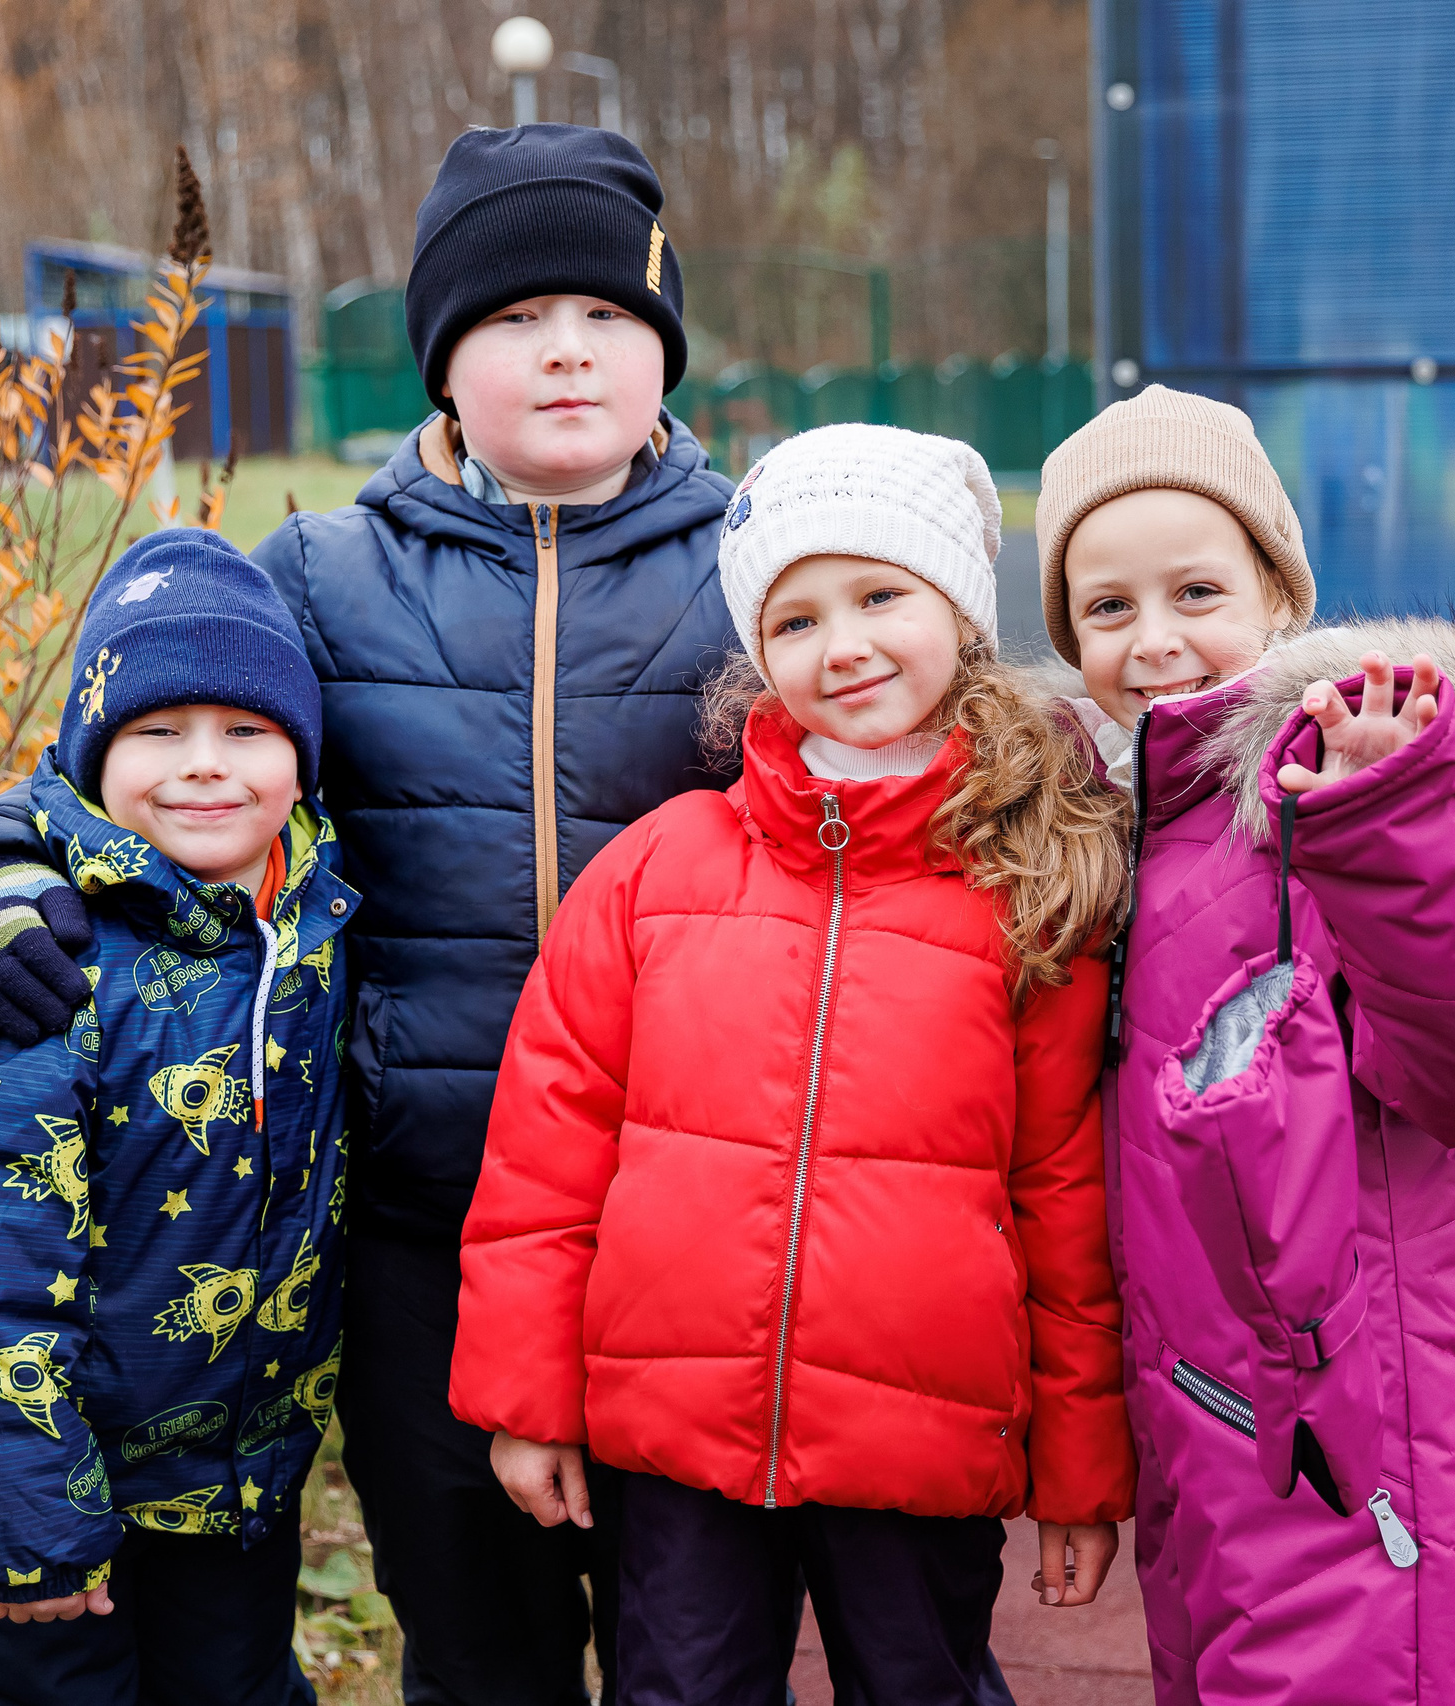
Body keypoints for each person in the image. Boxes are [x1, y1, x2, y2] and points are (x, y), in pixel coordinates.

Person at [0, 123, 743, 1703]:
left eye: (609, 316)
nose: (565, 349)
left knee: (690, 1645)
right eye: (510, 318)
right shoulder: (325, 573)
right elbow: (139, 759)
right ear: (441, 357)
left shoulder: (758, 565)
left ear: (663, 346)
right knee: (478, 1635)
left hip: (683, 1214)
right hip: (418, 1224)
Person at [451, 424, 1139, 1706]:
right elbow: (547, 1145)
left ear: (959, 612)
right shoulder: (661, 867)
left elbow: (1064, 1196)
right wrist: (527, 1396)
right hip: (673, 1439)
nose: (847, 644)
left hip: (925, 1436)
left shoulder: (1033, 884)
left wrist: (1079, 1464)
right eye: (798, 618)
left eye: (882, 594)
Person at [1035, 386, 1455, 1704]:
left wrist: (1394, 819)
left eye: (1197, 590)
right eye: (1109, 609)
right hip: (1224, 1441)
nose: (1157, 638)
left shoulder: (1339, 794)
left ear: (1281, 601)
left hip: (1369, 1451)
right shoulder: (1140, 830)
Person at [0, 528, 357, 1706]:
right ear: (90, 757)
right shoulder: (46, 961)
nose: (203, 766)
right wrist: (24, 1512)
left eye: (246, 732)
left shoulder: (313, 918)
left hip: (235, 1479)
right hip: (54, 1496)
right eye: (156, 732)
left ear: (302, 759)